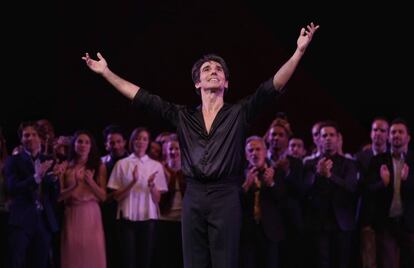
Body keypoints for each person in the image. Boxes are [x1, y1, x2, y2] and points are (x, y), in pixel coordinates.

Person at [82, 22, 319, 268]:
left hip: (225, 195)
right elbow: (143, 97)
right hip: (193, 196)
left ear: (226, 83)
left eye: (219, 69)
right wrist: (107, 73)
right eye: (206, 69)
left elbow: (272, 87)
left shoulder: (239, 113)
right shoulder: (183, 116)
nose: (213, 71)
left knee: (225, 262)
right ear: (198, 83)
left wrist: (298, 52)